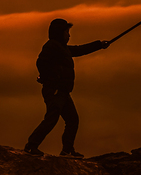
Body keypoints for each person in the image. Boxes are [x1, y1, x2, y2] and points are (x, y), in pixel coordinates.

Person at [24, 18, 109, 158]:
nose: (69, 35)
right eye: (66, 32)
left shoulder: (62, 48)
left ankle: (67, 151)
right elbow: (41, 62)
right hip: (55, 90)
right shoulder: (51, 46)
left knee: (72, 120)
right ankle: (31, 146)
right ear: (59, 33)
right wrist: (48, 78)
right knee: (52, 118)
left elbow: (79, 50)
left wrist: (99, 45)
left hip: (62, 91)